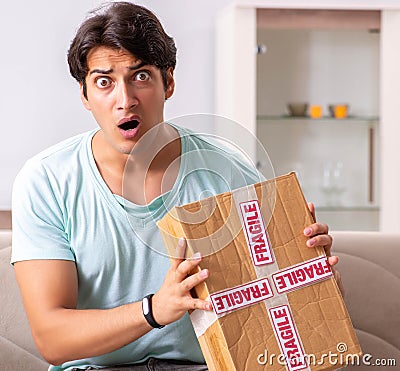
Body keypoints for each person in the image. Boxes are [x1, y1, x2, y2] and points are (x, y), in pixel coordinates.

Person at [11, 2, 341, 370]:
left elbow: (281, 315)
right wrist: (154, 310)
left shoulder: (227, 170)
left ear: (168, 82)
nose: (125, 100)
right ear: (85, 96)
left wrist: (314, 276)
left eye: (140, 76)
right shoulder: (47, 181)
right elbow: (52, 339)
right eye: (104, 82)